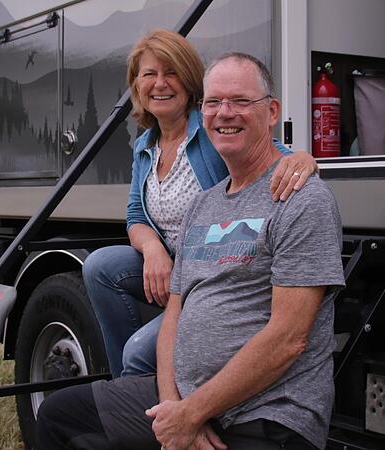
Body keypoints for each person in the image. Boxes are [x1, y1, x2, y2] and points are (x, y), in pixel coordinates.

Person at [37, 52, 345, 450]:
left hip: (266, 412)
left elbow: (289, 338)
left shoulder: (299, 198)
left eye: (240, 101)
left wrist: (193, 412)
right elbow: (174, 318)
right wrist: (173, 408)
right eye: (214, 103)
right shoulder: (203, 204)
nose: (224, 113)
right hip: (184, 398)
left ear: (271, 112)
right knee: (58, 416)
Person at [83, 29, 317, 378]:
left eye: (171, 72)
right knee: (100, 266)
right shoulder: (145, 145)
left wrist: (303, 159)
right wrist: (153, 251)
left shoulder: (209, 129)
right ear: (136, 85)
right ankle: (126, 387)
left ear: (190, 81)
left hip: (213, 271)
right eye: (149, 74)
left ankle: (149, 395)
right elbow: (135, 214)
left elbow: (273, 154)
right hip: (175, 270)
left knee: (140, 352)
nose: (160, 83)